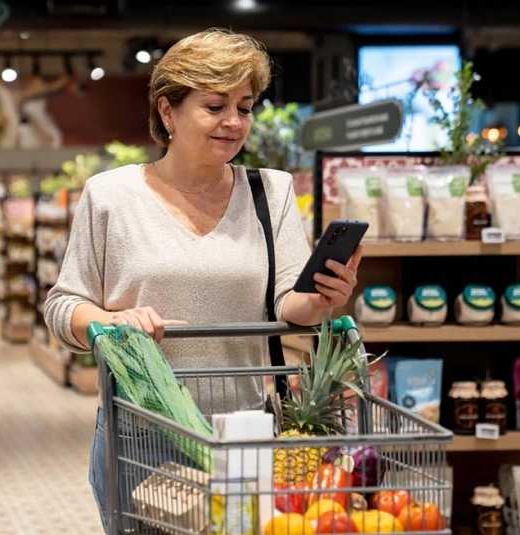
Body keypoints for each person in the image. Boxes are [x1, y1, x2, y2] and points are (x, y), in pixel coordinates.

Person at [43, 28, 362, 530]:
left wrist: (323, 299)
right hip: (145, 434)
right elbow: (63, 305)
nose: (234, 123)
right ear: (168, 111)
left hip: (247, 431)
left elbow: (288, 303)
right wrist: (110, 320)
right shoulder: (110, 196)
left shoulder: (269, 192)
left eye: (245, 106)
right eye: (214, 106)